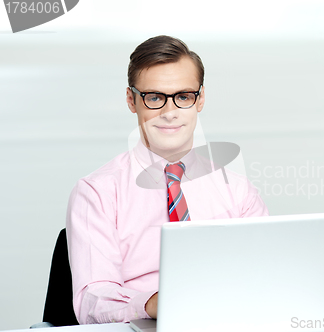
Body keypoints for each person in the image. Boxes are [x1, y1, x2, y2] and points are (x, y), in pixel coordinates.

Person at [66, 35, 268, 324]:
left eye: (183, 97)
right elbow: (91, 301)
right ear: (131, 100)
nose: (170, 113)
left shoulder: (238, 191)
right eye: (155, 97)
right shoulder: (97, 192)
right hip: (141, 326)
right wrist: (151, 304)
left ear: (200, 100)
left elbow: (266, 274)